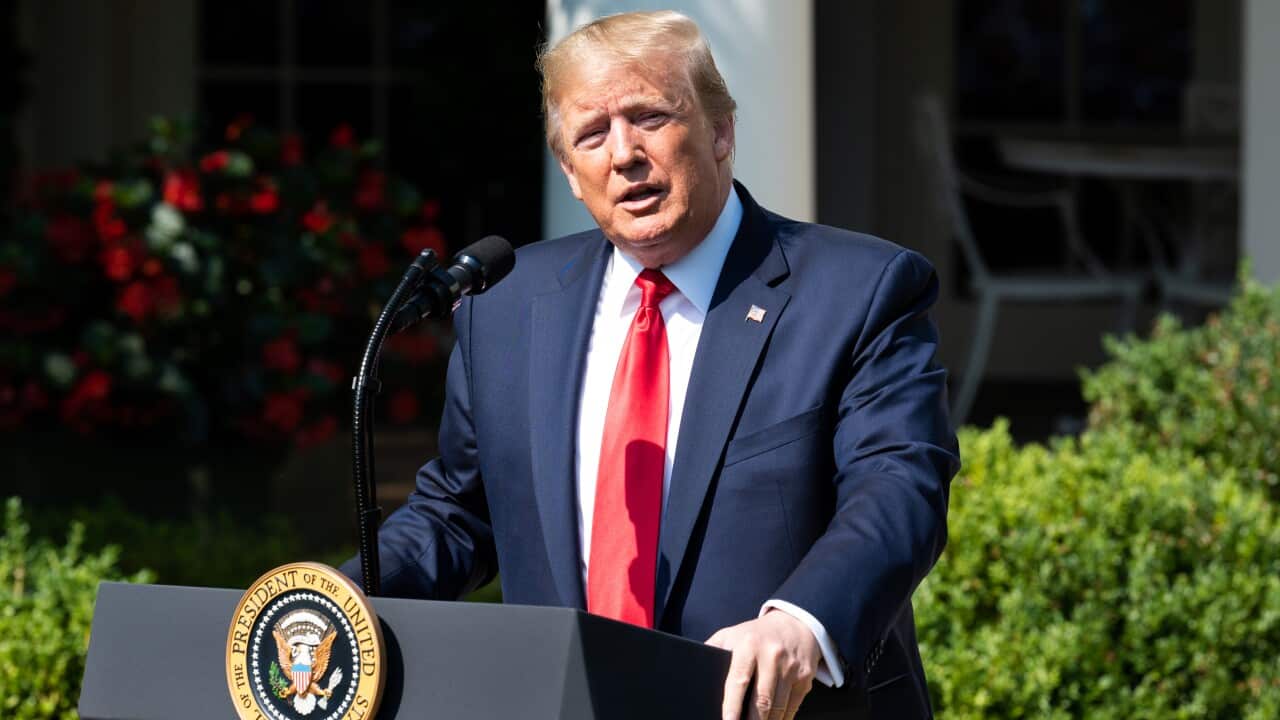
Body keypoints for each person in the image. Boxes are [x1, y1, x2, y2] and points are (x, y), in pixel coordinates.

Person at [345, 10, 958, 719]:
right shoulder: (506, 307)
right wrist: (346, 593)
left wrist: (800, 619)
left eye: (650, 116)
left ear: (721, 132)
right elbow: (458, 515)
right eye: (592, 135)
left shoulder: (858, 290)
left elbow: (898, 486)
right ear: (571, 173)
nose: (624, 154)